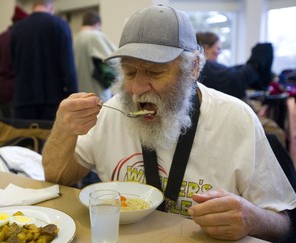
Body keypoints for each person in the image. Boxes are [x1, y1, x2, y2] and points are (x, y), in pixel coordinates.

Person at [42, 5, 296, 242]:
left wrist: (251, 219)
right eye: (129, 72)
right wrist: (64, 130)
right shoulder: (112, 111)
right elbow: (57, 178)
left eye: (154, 72)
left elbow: (284, 224)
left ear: (193, 67)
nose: (136, 89)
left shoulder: (236, 118)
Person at [10, 0, 78, 120]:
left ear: (33, 7)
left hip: (23, 100)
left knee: (25, 138)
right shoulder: (60, 25)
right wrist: (73, 96)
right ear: (51, 8)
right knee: (51, 138)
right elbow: (68, 66)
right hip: (52, 100)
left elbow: (13, 63)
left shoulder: (17, 29)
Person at [196, 31, 273, 100]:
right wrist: (256, 62)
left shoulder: (203, 66)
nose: (220, 52)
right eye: (218, 49)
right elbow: (236, 78)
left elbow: (229, 71)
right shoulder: (206, 66)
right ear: (206, 48)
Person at [0, 5, 28, 118]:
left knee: (5, 129)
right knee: (19, 131)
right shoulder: (22, 38)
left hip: (0, 90)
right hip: (16, 92)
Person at [73, 11, 117, 102]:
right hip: (96, 94)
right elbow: (116, 58)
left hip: (80, 95)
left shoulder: (75, 39)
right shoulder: (94, 35)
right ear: (97, 24)